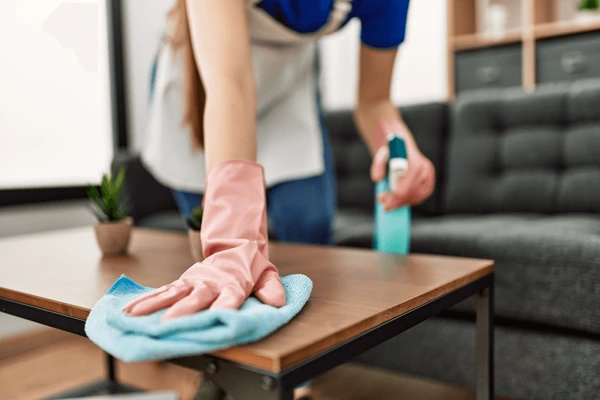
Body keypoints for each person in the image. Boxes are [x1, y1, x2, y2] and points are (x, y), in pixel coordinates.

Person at [126, 0, 435, 398]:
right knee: (213, 242)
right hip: (207, 83)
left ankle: (292, 375)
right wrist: (232, 241)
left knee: (308, 222)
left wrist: (400, 147)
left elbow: (374, 100)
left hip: (287, 83)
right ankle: (219, 371)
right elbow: (230, 82)